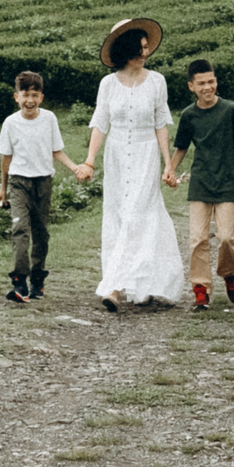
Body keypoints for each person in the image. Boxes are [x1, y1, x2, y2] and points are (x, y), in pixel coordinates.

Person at [82, 17, 186, 311]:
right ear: (124, 51)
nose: (144, 54)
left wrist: (168, 165)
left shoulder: (157, 81)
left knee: (139, 216)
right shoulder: (107, 84)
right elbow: (101, 123)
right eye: (138, 49)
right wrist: (89, 160)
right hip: (116, 156)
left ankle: (116, 288)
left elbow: (160, 124)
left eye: (146, 48)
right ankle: (132, 285)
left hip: (145, 155)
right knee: (118, 217)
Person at [168, 59, 234, 310]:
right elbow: (182, 147)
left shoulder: (231, 110)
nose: (207, 87)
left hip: (227, 183)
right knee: (198, 238)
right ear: (191, 86)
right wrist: (170, 170)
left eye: (211, 81)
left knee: (226, 237)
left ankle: (229, 274)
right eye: (201, 83)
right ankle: (201, 289)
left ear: (216, 81)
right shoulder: (188, 115)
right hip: (200, 183)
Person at [0, 70, 87, 302]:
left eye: (35, 95)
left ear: (41, 98)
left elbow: (56, 151)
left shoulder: (49, 119)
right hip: (18, 183)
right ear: (16, 97)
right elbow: (6, 159)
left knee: (41, 233)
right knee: (20, 229)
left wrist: (75, 167)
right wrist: (3, 189)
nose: (30, 100)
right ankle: (19, 283)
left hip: (43, 182)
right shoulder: (10, 123)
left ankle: (37, 281)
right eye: (25, 95)